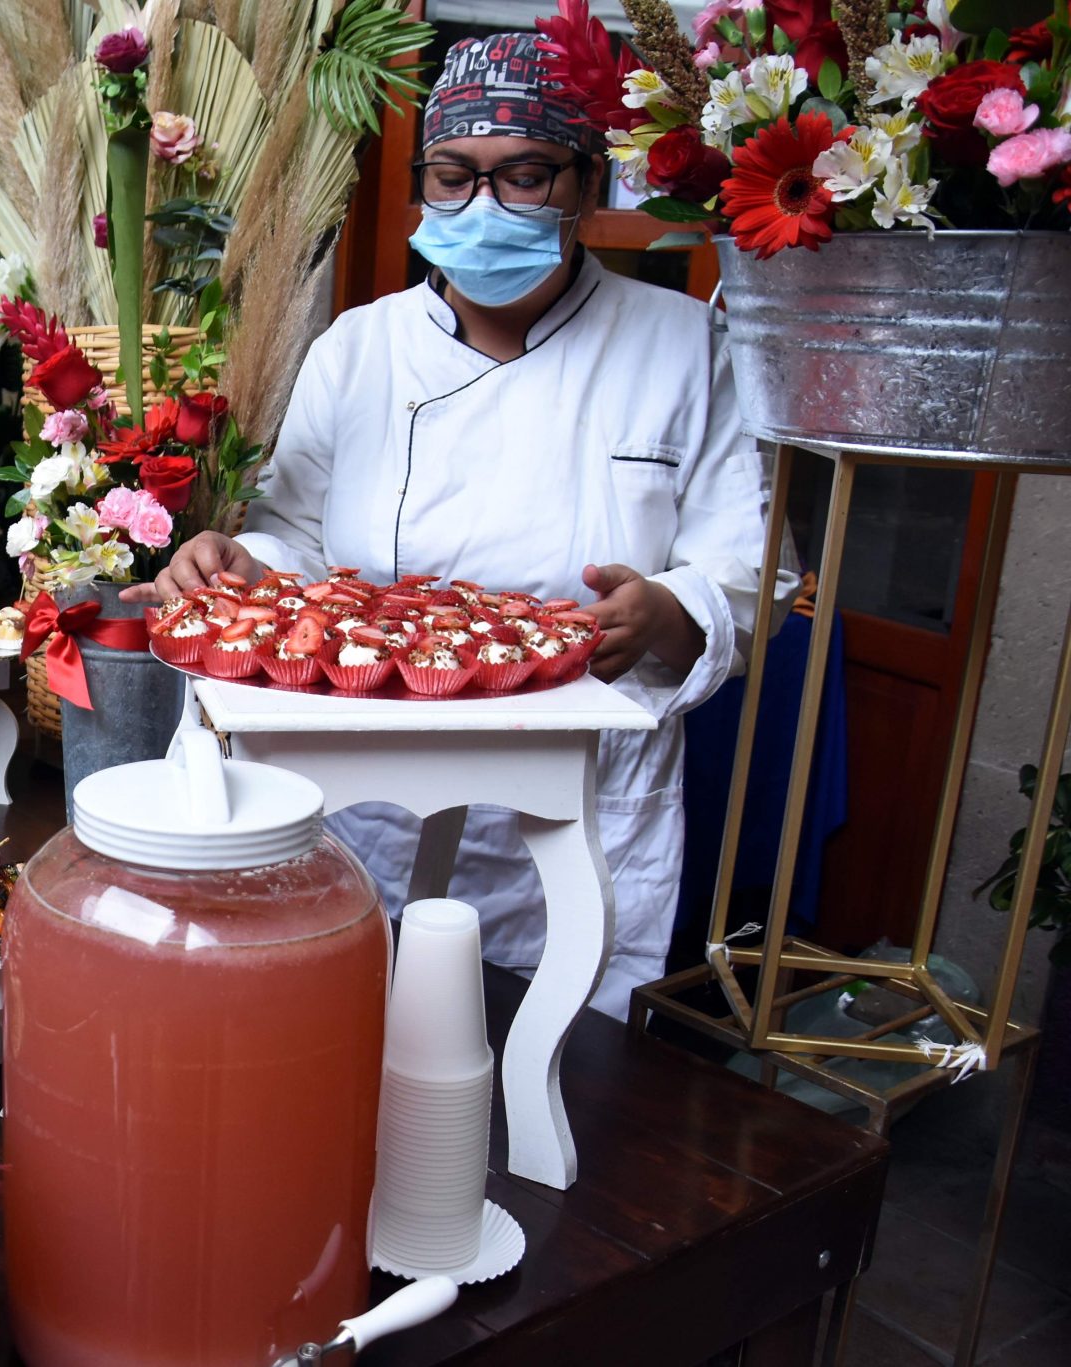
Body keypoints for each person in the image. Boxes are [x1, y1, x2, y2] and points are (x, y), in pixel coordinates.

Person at [131, 33, 787, 1017]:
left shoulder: (684, 348)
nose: (481, 206)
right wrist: (238, 560)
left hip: (579, 798)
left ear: (584, 183)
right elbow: (293, 536)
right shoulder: (359, 347)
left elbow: (747, 571)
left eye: (522, 175)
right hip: (364, 788)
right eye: (451, 175)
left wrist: (662, 609)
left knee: (550, 1073)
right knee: (343, 1037)